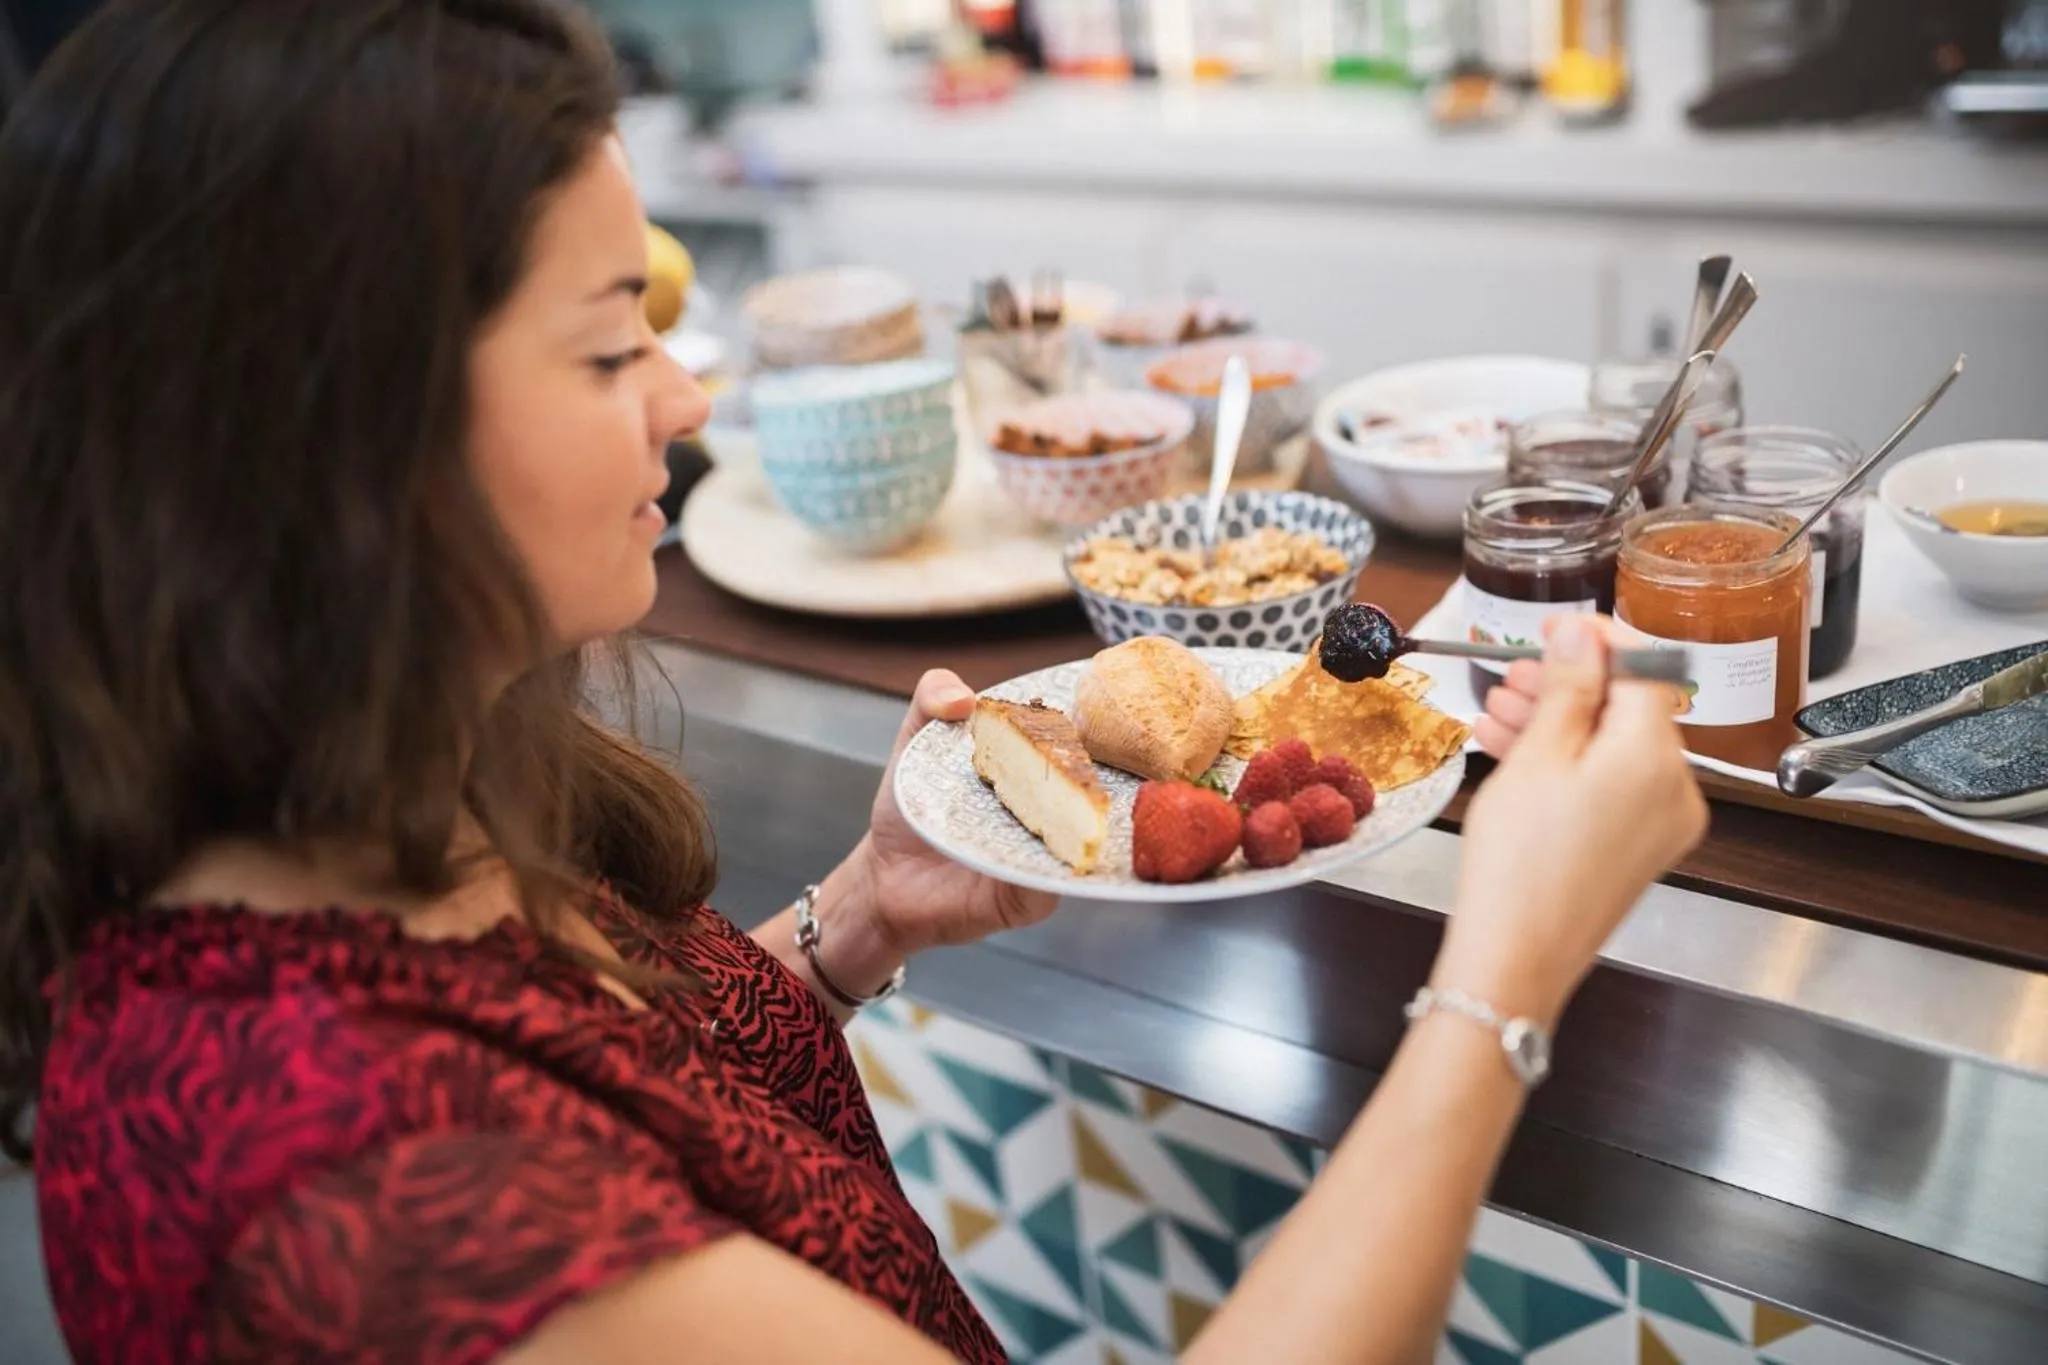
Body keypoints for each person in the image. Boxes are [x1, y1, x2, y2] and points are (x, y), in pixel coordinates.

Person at [0, 2, 1707, 1362]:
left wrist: (858, 920)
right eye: (612, 346)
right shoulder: (367, 1184)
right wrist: (1505, 968)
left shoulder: (376, 828)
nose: (684, 397)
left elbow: (639, 1115)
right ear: (327, 449)